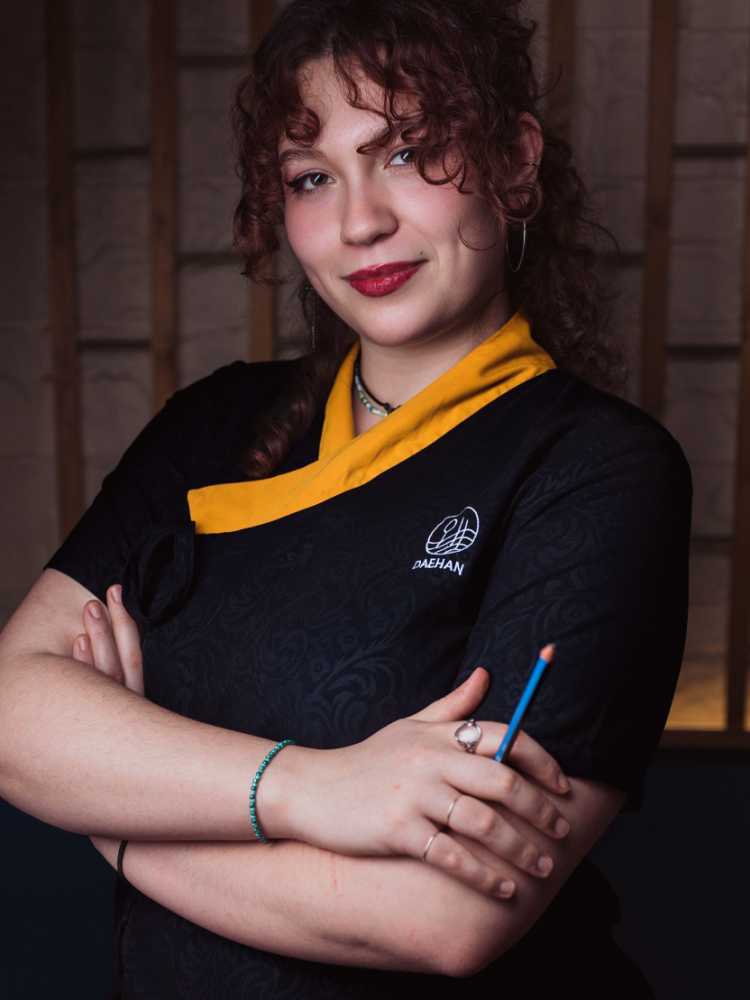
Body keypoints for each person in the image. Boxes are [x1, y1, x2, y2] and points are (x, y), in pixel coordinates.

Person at [0, 1, 691, 996]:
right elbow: (15, 708)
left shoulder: (599, 470)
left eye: (407, 152)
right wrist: (314, 788)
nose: (361, 221)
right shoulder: (212, 426)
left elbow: (441, 916)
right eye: (312, 177)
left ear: (515, 161)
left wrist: (112, 813)